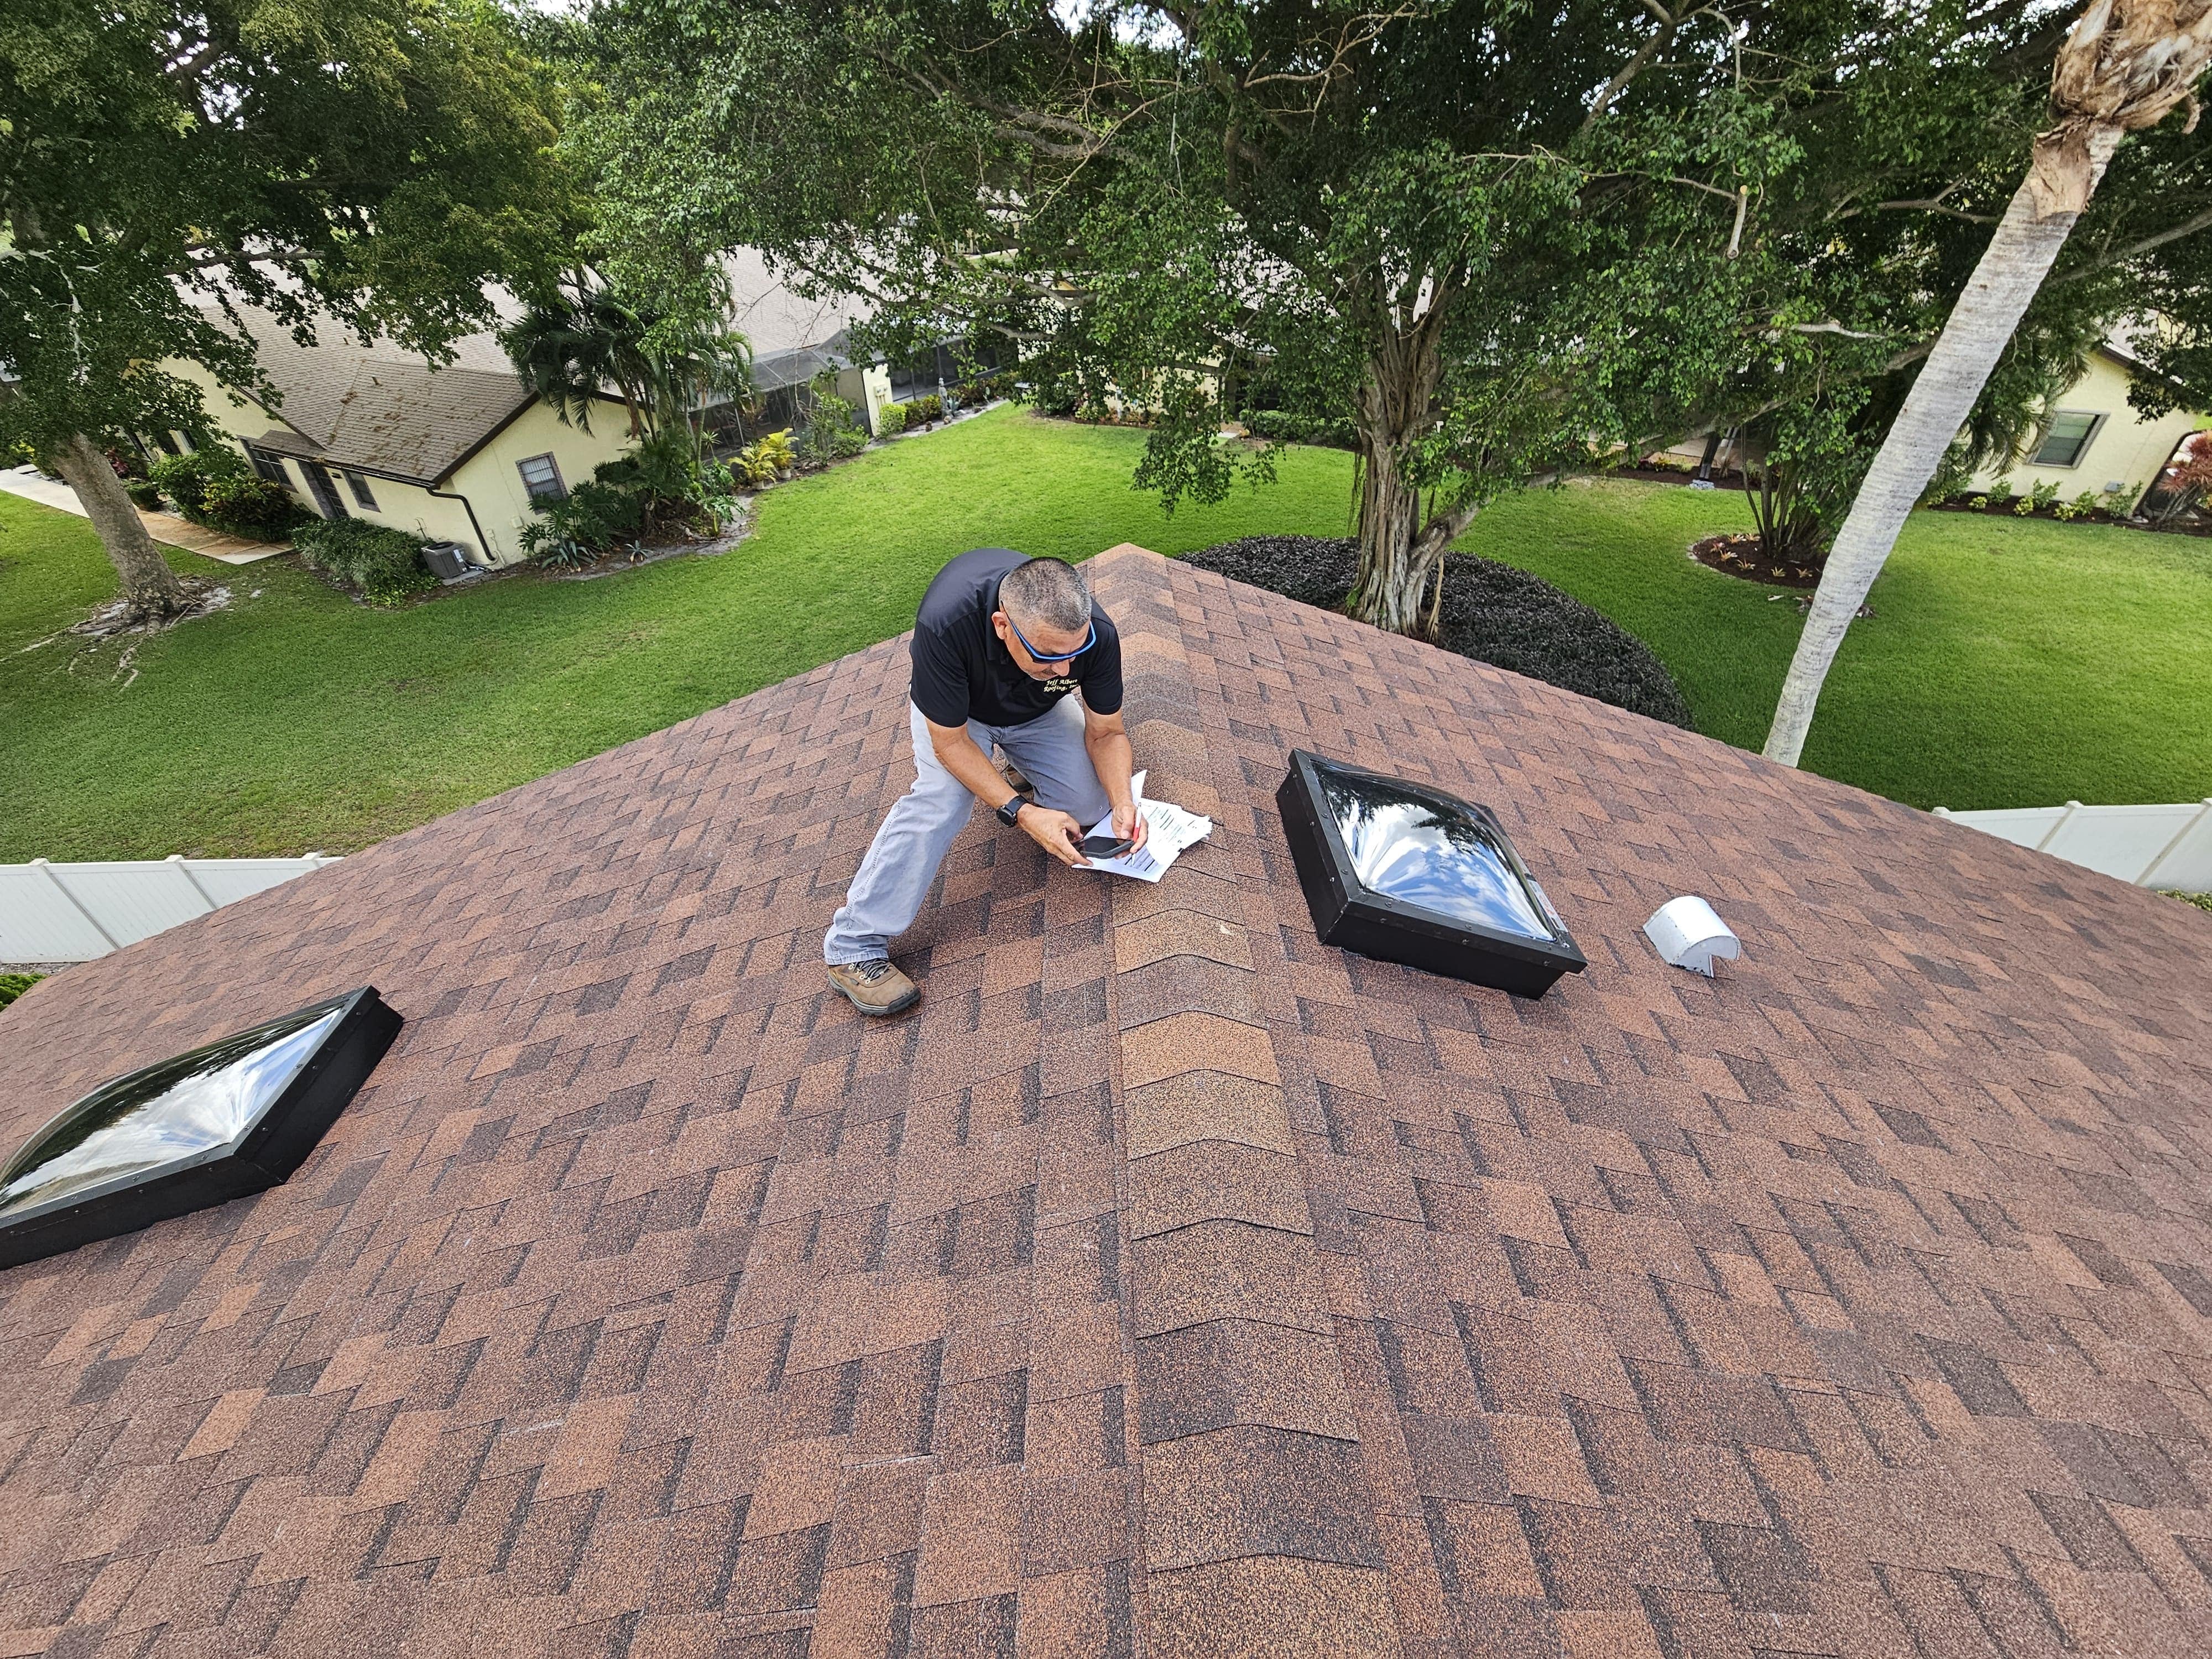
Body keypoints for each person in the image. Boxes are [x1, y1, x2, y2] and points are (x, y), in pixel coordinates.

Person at [823, 549, 1147, 1015]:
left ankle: (1022, 768)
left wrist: (1123, 803)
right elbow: (951, 745)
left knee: (1090, 807)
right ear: (1002, 626)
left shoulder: (1096, 636)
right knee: (945, 799)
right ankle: (853, 945)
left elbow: (1108, 731)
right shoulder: (946, 625)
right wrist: (1021, 812)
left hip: (1035, 714)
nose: (1064, 671)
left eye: (1074, 655)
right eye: (1049, 656)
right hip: (961, 719)